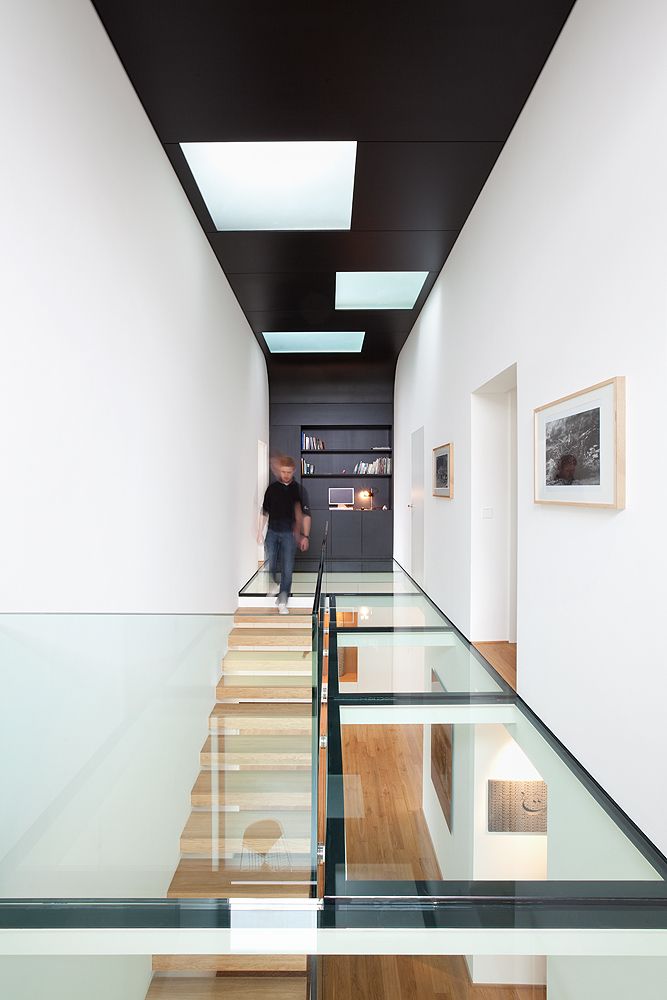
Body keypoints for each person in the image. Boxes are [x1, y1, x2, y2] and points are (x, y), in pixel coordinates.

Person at [257, 455, 311, 614]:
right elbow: (264, 511)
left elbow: (303, 514)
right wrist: (259, 531)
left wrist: (304, 536)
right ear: (279, 471)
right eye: (283, 471)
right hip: (272, 532)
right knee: (271, 563)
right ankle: (274, 584)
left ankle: (283, 600)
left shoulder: (298, 490)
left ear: (293, 471)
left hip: (289, 534)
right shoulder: (272, 489)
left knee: (287, 568)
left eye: (288, 472)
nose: (286, 474)